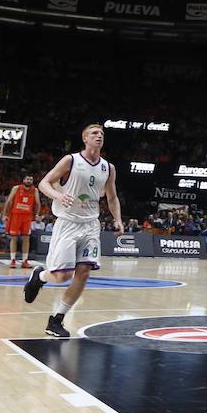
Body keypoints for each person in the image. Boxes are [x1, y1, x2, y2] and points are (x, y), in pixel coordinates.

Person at [23, 124, 123, 339]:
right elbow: (44, 183)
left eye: (102, 134)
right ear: (85, 138)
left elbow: (112, 197)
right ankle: (39, 276)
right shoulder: (71, 160)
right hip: (68, 223)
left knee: (84, 273)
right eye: (95, 133)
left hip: (90, 225)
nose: (99, 136)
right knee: (62, 276)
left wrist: (118, 219)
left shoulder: (108, 168)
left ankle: (56, 320)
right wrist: (57, 196)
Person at [2, 174, 41, 268]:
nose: (29, 181)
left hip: (27, 217)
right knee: (14, 238)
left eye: (31, 179)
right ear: (23, 180)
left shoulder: (35, 190)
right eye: (27, 179)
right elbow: (8, 202)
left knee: (26, 238)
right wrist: (5, 214)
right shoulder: (16, 188)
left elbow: (38, 203)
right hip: (15, 215)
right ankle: (12, 260)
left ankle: (25, 260)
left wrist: (37, 214)